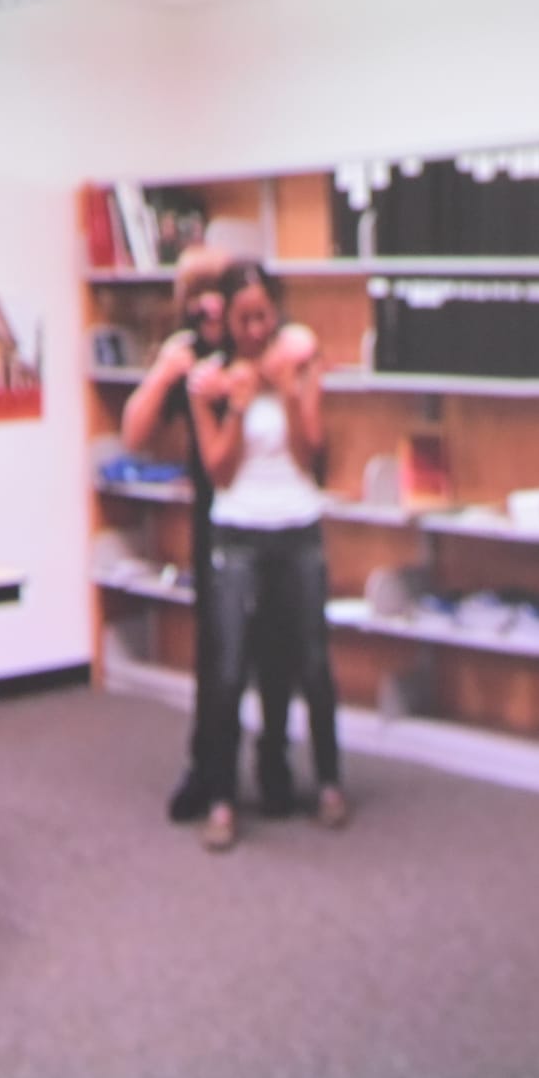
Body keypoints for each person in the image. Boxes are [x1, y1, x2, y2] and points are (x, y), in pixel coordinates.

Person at [122, 247, 298, 823]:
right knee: (218, 657)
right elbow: (133, 434)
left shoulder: (265, 340)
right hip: (217, 523)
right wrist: (164, 372)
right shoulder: (190, 354)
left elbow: (302, 349)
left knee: (275, 647)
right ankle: (208, 770)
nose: (208, 309)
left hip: (276, 513)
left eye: (214, 296)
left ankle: (274, 765)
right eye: (196, 299)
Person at [186, 261, 347, 852]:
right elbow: (219, 470)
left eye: (263, 316)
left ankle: (329, 784)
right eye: (243, 319)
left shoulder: (298, 363)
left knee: (313, 663)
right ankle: (222, 800)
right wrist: (236, 405)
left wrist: (288, 391)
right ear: (227, 322)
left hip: (298, 529)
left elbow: (312, 454)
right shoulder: (209, 382)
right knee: (229, 671)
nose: (255, 329)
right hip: (238, 534)